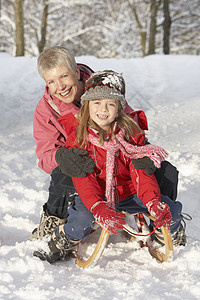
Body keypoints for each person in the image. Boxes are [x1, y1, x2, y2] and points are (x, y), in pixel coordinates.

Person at [33, 71, 186, 263]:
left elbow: (141, 173)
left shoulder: (131, 135)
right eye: (96, 103)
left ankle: (162, 235)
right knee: (81, 220)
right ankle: (64, 238)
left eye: (110, 104)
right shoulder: (80, 137)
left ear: (120, 108)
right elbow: (84, 178)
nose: (103, 109)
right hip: (95, 194)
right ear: (87, 106)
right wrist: (97, 206)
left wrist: (152, 201)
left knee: (170, 210)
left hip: (129, 192)